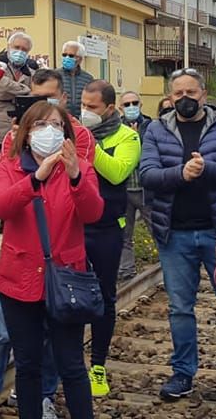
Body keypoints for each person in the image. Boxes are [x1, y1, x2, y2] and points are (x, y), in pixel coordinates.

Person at [0, 69, 96, 419]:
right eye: (41, 126)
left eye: (57, 126)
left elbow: (92, 212)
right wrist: (34, 179)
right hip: (20, 280)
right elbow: (1, 207)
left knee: (71, 364)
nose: (49, 132)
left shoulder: (79, 167)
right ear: (25, 134)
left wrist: (74, 176)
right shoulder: (10, 164)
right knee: (27, 364)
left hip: (66, 278)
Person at [139, 68, 216, 400]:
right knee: (179, 308)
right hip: (175, 234)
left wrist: (205, 169)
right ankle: (183, 373)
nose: (185, 99)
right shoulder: (157, 129)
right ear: (170, 97)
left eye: (191, 92)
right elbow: (147, 174)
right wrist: (181, 173)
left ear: (203, 94)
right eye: (178, 94)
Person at [75, 80, 140, 396]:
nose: (85, 112)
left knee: (103, 297)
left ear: (110, 109)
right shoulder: (68, 133)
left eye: (92, 107)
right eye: (82, 106)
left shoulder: (127, 136)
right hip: (73, 227)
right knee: (68, 298)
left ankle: (97, 366)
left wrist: (88, 145)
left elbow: (117, 173)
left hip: (106, 229)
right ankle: (70, 363)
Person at [0, 32, 36, 238]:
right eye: (17, 47)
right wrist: (22, 89)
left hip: (19, 130)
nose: (20, 52)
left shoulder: (31, 71)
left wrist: (11, 87)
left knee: (16, 177)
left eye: (24, 49)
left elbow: (30, 92)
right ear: (8, 46)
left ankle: (8, 221)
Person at [117, 91, 153, 282]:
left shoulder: (151, 126)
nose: (131, 107)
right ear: (120, 108)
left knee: (157, 229)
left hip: (146, 189)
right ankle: (126, 270)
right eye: (127, 104)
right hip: (123, 190)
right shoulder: (115, 128)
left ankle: (166, 267)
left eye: (135, 103)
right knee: (124, 234)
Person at [58, 40, 95, 118]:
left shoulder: (88, 79)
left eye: (71, 56)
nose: (67, 58)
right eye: (64, 55)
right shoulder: (55, 75)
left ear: (80, 59)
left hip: (81, 122)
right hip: (61, 120)